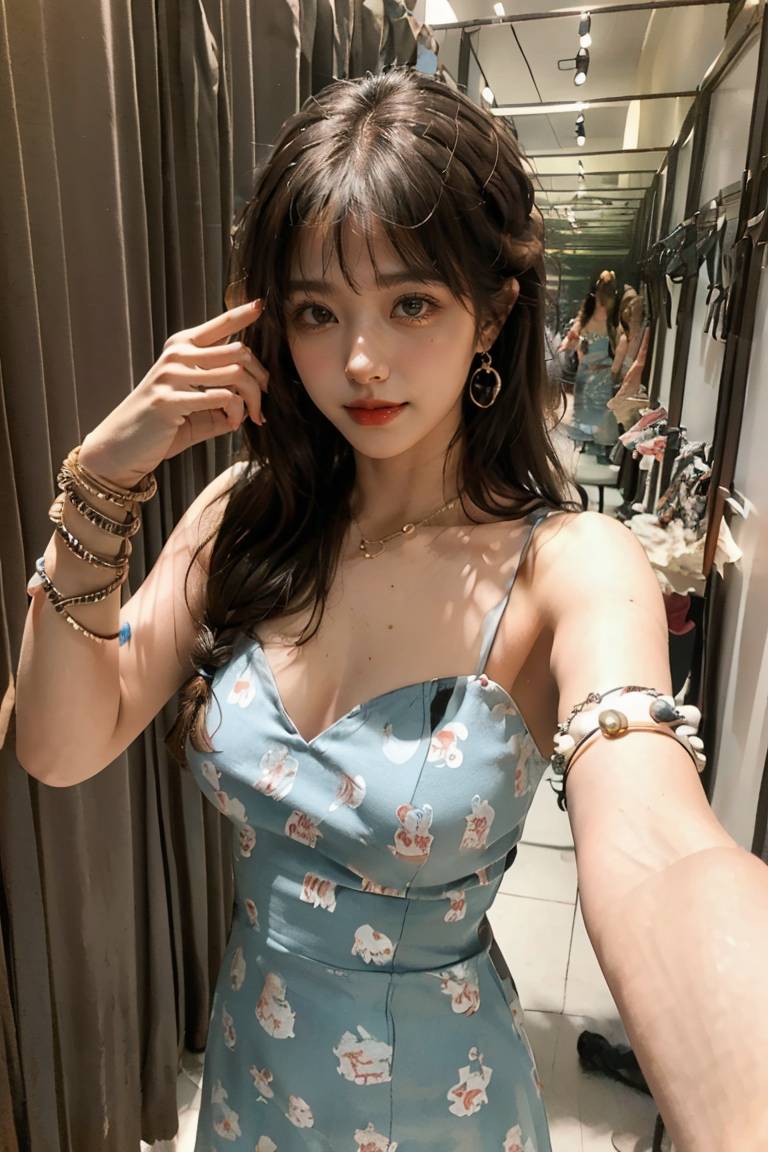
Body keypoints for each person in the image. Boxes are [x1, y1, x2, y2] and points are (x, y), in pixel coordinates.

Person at [14, 68, 768, 1152]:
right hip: (251, 1078)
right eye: (318, 313)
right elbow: (57, 744)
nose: (360, 361)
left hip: (439, 1106)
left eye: (411, 303)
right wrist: (100, 480)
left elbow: (661, 852)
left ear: (492, 311)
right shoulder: (246, 519)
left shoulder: (568, 566)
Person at [558, 270, 620, 461]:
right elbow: (572, 337)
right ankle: (586, 444)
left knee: (599, 409)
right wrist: (568, 344)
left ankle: (598, 446)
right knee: (584, 409)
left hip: (602, 372)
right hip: (586, 371)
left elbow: (618, 346)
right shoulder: (586, 315)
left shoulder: (612, 320)